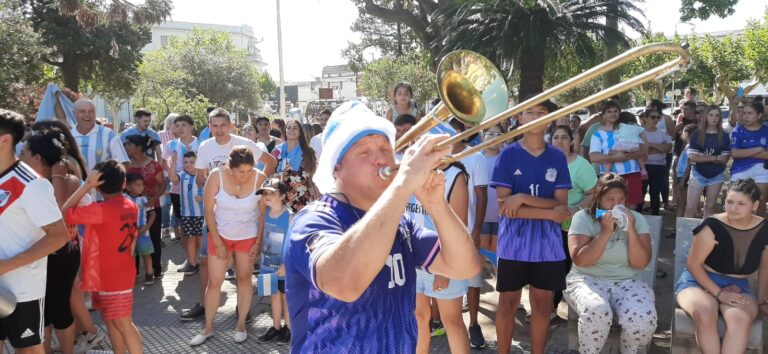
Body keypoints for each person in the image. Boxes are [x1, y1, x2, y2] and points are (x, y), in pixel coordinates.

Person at [283, 101, 482, 352]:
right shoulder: (314, 220)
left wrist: (437, 205)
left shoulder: (402, 223)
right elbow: (344, 283)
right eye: (364, 152)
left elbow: (465, 266)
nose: (380, 159)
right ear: (337, 168)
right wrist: (403, 185)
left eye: (385, 148)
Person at [491, 98, 572, 354]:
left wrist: (523, 198)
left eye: (542, 112)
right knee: (507, 303)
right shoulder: (507, 154)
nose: (536, 116)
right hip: (513, 244)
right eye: (530, 112)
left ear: (549, 119)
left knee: (542, 305)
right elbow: (505, 208)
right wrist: (547, 213)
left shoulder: (557, 157)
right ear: (520, 118)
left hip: (548, 246)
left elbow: (562, 208)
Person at [0, 109, 68, 354]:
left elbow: (60, 236)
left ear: (4, 141)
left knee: (28, 350)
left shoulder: (32, 184)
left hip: (22, 291)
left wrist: (7, 265)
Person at [566, 173, 657, 354]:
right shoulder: (582, 218)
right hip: (586, 278)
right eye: (610, 200)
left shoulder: (637, 219)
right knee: (597, 310)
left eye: (621, 200)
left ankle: (628, 350)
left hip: (628, 281)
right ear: (598, 199)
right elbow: (581, 261)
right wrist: (605, 232)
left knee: (642, 318)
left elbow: (640, 264)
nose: (616, 205)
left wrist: (631, 230)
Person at [676, 179, 768, 353]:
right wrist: (719, 293)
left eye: (741, 203)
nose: (733, 208)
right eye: (729, 202)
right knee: (704, 313)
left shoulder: (764, 229)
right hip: (699, 280)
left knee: (739, 320)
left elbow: (765, 268)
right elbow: (693, 265)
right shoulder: (712, 225)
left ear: (755, 205)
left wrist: (762, 300)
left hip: (738, 285)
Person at [62, 161, 143, 354]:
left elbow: (65, 212)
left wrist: (86, 185)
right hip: (120, 272)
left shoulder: (101, 210)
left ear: (98, 186)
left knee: (122, 323)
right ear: (124, 183)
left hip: (111, 276)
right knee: (113, 322)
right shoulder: (130, 205)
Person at [189, 147, 266, 346]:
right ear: (230, 168)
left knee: (244, 279)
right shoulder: (216, 176)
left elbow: (263, 214)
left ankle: (241, 324)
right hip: (220, 234)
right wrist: (217, 241)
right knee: (214, 281)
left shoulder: (260, 178)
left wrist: (258, 243)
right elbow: (208, 211)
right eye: (241, 171)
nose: (245, 175)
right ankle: (207, 327)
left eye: (249, 170)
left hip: (247, 236)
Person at [20, 128, 81, 354]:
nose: (20, 157)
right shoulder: (28, 182)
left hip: (62, 253)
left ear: (37, 158)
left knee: (58, 309)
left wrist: (56, 177)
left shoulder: (68, 180)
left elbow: (61, 217)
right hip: (42, 253)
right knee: (42, 312)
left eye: (24, 152)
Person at [406, 156, 469, 353]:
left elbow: (460, 226)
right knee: (419, 318)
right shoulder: (409, 174)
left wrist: (446, 269)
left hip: (443, 261)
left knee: (452, 322)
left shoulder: (454, 176)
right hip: (414, 262)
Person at [445, 118, 489, 349]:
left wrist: (477, 229)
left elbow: (482, 196)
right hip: (441, 233)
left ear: (461, 132)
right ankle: (449, 323)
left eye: (452, 130)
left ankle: (473, 324)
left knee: (473, 280)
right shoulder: (435, 156)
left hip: (467, 230)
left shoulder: (476, 157)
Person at [550, 124, 597, 311]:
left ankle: (555, 307)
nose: (559, 141)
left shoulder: (581, 165)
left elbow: (593, 193)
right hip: (544, 221)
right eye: (555, 137)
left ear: (571, 142)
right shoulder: (544, 161)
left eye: (564, 137)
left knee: (561, 265)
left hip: (570, 225)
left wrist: (576, 208)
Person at [589, 100, 648, 210]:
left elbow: (644, 149)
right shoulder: (598, 134)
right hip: (610, 178)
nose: (613, 114)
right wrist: (614, 158)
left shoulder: (629, 129)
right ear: (604, 114)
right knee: (607, 208)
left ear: (620, 113)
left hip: (631, 174)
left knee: (631, 208)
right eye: (609, 111)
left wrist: (624, 156)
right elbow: (594, 157)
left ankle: (629, 227)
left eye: (615, 111)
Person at [255, 178, 293, 343]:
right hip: (267, 264)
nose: (267, 196)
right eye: (265, 193)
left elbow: (294, 244)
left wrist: (287, 264)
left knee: (286, 298)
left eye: (272, 193)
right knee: (274, 296)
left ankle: (289, 328)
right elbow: (265, 237)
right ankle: (276, 327)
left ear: (282, 195)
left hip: (284, 266)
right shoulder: (266, 214)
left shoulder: (290, 216)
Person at [162, 114, 201, 272]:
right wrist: (173, 174)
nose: (180, 128)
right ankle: (190, 260)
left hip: (199, 190)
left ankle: (202, 258)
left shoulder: (201, 143)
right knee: (184, 225)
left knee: (202, 226)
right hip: (178, 190)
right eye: (176, 125)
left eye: (183, 125)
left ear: (191, 127)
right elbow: (164, 160)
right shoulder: (171, 145)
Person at [124, 135, 165, 281]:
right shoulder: (127, 166)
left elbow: (163, 185)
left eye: (129, 144)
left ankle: (156, 270)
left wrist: (153, 199)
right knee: (132, 240)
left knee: (153, 238)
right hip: (132, 210)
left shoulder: (153, 165)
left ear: (139, 147)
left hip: (152, 208)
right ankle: (135, 272)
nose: (126, 147)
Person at [685, 105, 731, 219]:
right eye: (711, 115)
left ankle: (706, 234)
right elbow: (693, 158)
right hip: (697, 173)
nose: (714, 118)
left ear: (720, 118)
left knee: (710, 206)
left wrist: (703, 156)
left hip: (716, 174)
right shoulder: (697, 134)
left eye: (717, 115)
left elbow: (724, 160)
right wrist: (714, 158)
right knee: (690, 207)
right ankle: (685, 235)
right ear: (706, 116)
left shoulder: (724, 135)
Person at [729, 101, 768, 216]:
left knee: (759, 206)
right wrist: (759, 149)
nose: (745, 116)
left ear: (759, 115)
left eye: (750, 113)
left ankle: (759, 233)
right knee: (735, 206)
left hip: (762, 172)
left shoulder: (766, 131)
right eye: (744, 113)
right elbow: (734, 153)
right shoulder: (738, 131)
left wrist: (745, 152)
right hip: (739, 171)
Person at [169, 151, 204, 276]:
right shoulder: (182, 175)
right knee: (189, 239)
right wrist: (173, 162)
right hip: (187, 214)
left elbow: (214, 191)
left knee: (201, 239)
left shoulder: (203, 175)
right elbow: (172, 178)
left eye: (191, 162)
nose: (188, 165)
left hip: (202, 214)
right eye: (185, 162)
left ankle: (203, 262)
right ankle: (192, 264)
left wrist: (203, 198)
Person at [70, 99, 128, 170]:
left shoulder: (108, 134)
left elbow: (123, 163)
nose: (87, 115)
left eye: (91, 111)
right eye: (82, 111)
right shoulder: (67, 135)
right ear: (74, 113)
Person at [274, 119, 318, 212]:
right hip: (280, 199)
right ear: (285, 131)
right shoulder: (277, 151)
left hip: (303, 200)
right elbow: (272, 174)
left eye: (295, 128)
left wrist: (317, 198)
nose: (291, 130)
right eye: (289, 128)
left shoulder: (308, 152)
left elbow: (313, 177)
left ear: (300, 132)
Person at [124, 173, 156, 285]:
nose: (141, 187)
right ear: (128, 187)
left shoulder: (145, 199)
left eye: (142, 185)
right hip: (128, 233)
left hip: (143, 231)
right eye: (137, 185)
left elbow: (152, 214)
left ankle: (149, 273)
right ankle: (132, 275)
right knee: (131, 255)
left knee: (146, 253)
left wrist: (147, 227)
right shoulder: (124, 199)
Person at [639, 109, 673, 215]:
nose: (656, 120)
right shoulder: (639, 132)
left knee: (655, 193)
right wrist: (659, 147)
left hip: (659, 167)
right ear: (645, 118)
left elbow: (668, 148)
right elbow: (639, 150)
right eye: (653, 117)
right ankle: (638, 217)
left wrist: (651, 146)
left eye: (658, 117)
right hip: (642, 166)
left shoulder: (663, 132)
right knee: (641, 193)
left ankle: (655, 216)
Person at [674, 125, 695, 217]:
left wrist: (683, 180)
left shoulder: (691, 147)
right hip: (680, 176)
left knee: (686, 204)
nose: (681, 134)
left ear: (687, 134)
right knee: (680, 204)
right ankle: (678, 227)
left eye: (683, 132)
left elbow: (690, 164)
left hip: (685, 177)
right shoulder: (687, 146)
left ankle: (685, 226)